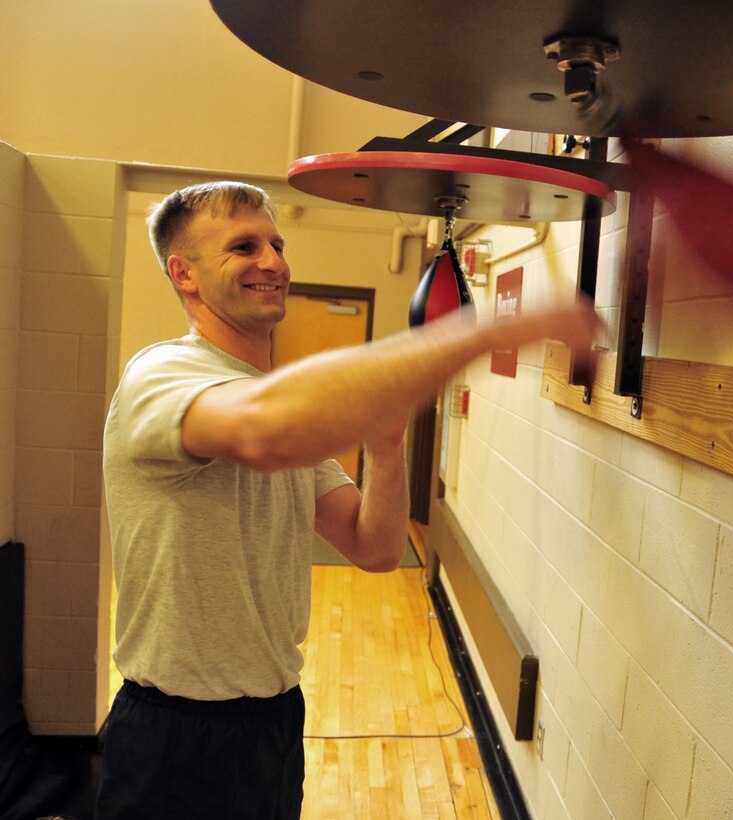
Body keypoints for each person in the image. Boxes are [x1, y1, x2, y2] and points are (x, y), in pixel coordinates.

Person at [95, 181, 598, 818]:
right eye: (244, 246)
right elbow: (264, 431)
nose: (273, 262)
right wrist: (480, 333)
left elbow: (376, 549)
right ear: (183, 273)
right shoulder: (163, 376)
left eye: (277, 244)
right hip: (176, 734)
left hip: (272, 722)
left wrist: (387, 449)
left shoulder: (274, 396)